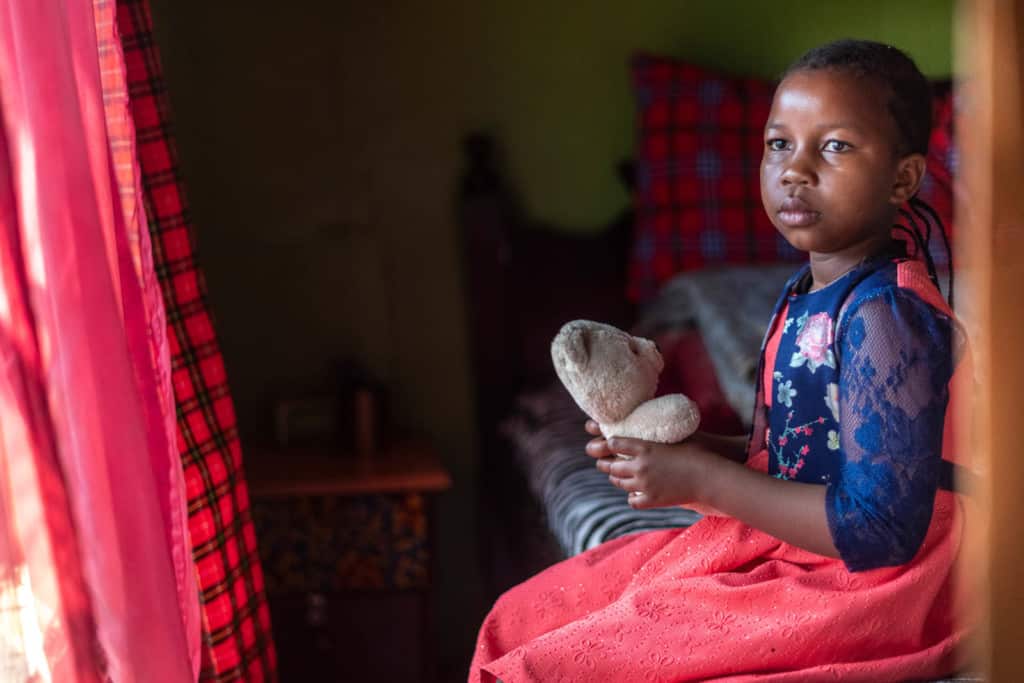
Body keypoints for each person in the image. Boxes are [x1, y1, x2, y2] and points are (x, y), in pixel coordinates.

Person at [469, 39, 972, 682]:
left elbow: (880, 528)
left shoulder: (885, 318)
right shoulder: (808, 295)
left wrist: (703, 485)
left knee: (549, 665)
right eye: (779, 144)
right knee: (522, 615)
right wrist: (697, 452)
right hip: (809, 548)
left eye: (836, 146)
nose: (796, 169)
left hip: (881, 585)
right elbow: (804, 453)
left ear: (903, 178)